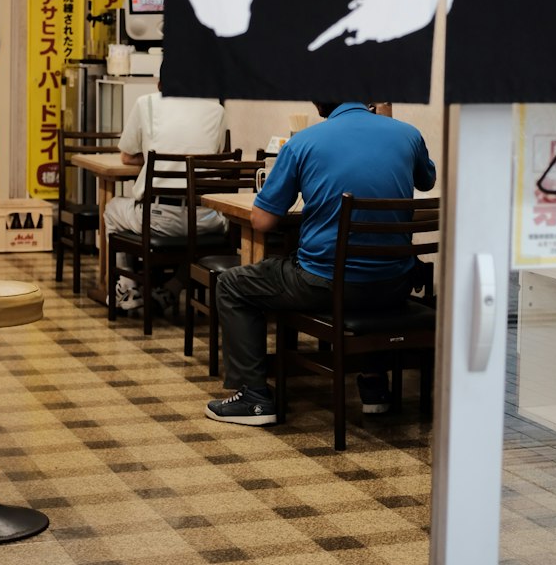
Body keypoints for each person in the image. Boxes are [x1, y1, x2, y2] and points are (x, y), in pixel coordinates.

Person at [206, 102, 436, 426]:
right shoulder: (408, 134)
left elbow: (261, 221)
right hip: (394, 284)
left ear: (318, 103)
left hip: (326, 286)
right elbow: (426, 181)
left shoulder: (304, 142)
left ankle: (255, 399)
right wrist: (387, 119)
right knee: (367, 270)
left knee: (232, 284)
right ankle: (374, 387)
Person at [105, 85, 227, 312]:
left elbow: (126, 156)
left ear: (161, 83)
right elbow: (215, 158)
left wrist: (155, 162)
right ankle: (173, 287)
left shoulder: (147, 103)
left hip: (159, 218)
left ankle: (127, 286)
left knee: (112, 208)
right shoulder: (217, 110)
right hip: (206, 219)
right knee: (196, 238)